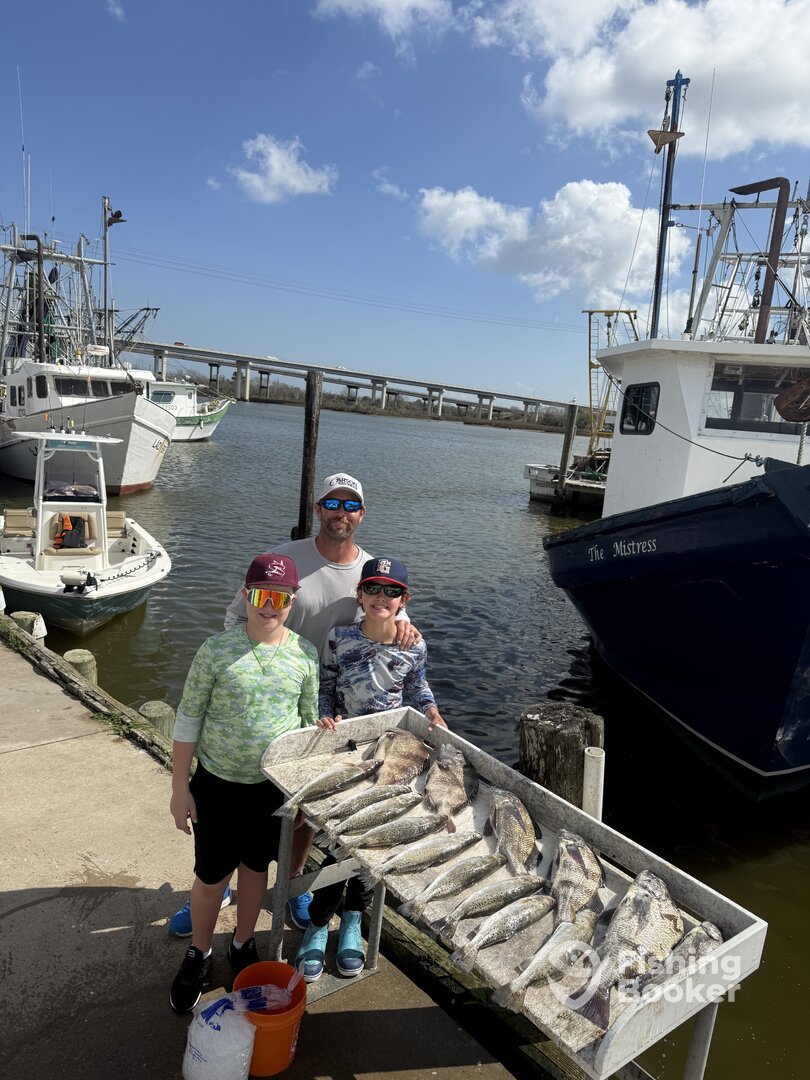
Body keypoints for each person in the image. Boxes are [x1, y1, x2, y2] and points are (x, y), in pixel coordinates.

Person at [167, 472, 419, 937]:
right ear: (317, 508)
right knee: (223, 817)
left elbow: (389, 610)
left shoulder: (369, 571)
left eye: (351, 505)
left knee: (303, 812)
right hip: (270, 695)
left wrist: (405, 623)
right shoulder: (282, 560)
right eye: (332, 503)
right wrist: (245, 673)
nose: (341, 513)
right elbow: (235, 616)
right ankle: (217, 886)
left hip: (327, 708)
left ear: (362, 514)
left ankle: (295, 882)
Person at [168, 553, 318, 1013]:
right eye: (261, 595)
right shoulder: (215, 651)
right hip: (217, 785)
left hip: (271, 790)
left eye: (280, 597)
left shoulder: (305, 655)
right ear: (245, 595)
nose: (269, 606)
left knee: (256, 870)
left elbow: (308, 725)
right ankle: (200, 952)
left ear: (292, 601)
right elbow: (188, 719)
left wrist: (302, 790)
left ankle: (242, 941)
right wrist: (179, 788)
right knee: (210, 877)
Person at [295, 556, 446, 982]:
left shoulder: (414, 645)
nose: (382, 597)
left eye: (391, 591)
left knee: (377, 839)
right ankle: (320, 922)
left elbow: (418, 686)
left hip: (392, 753)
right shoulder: (340, 638)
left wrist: (432, 712)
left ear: (404, 600)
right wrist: (325, 716)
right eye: (373, 589)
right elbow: (326, 685)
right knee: (339, 838)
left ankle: (353, 921)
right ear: (359, 595)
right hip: (347, 751)